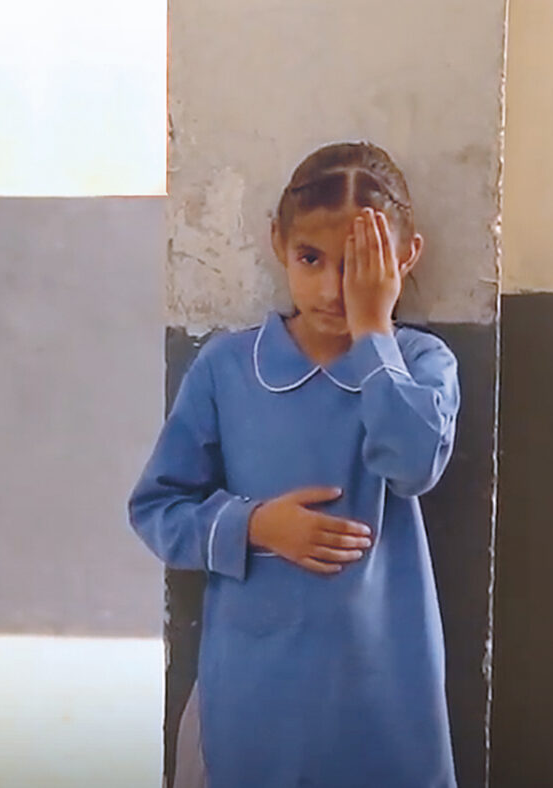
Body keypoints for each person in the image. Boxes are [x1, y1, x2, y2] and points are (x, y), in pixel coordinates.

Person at [128, 141, 460, 787]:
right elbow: (156, 508)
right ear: (278, 243)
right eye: (312, 259)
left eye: (361, 265)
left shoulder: (421, 365)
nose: (333, 288)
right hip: (257, 689)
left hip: (383, 688)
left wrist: (373, 331)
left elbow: (414, 466)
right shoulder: (229, 369)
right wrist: (253, 527)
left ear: (405, 258)